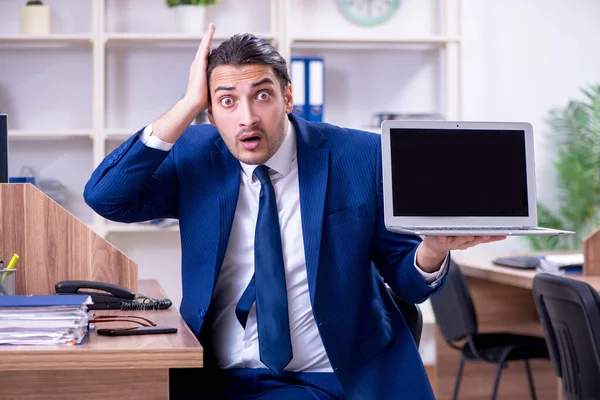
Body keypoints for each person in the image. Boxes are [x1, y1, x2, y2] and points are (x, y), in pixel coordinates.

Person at [84, 24, 505, 400]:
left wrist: (431, 250)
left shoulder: (361, 156)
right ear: (209, 114)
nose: (247, 118)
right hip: (216, 377)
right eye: (226, 101)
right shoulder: (196, 155)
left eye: (261, 95)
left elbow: (408, 283)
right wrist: (186, 105)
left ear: (287, 96)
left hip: (331, 377)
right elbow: (106, 197)